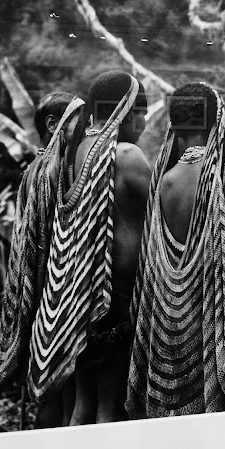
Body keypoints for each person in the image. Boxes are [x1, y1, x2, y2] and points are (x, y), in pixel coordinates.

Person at [126, 82, 225, 419]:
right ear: (218, 121)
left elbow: (155, 265)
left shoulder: (164, 184)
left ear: (174, 126)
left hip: (179, 335)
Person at [27, 71, 151, 425]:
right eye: (138, 110)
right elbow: (164, 212)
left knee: (83, 401)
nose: (141, 121)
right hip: (115, 299)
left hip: (76, 293)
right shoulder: (126, 154)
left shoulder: (73, 152)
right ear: (125, 110)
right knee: (111, 406)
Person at [0, 91, 84, 427]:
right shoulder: (56, 170)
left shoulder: (35, 168)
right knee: (62, 392)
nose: (85, 130)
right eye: (79, 121)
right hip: (54, 298)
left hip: (38, 298)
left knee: (51, 393)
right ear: (52, 123)